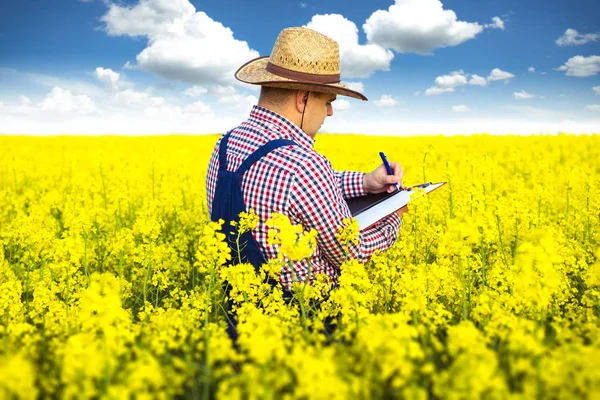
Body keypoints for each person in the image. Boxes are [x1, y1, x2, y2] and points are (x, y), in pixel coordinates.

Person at [206, 27, 406, 295]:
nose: (330, 112)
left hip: (241, 312)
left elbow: (293, 190)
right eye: (327, 101)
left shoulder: (225, 145)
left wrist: (367, 183)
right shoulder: (304, 166)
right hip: (304, 323)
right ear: (303, 99)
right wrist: (393, 216)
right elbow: (352, 254)